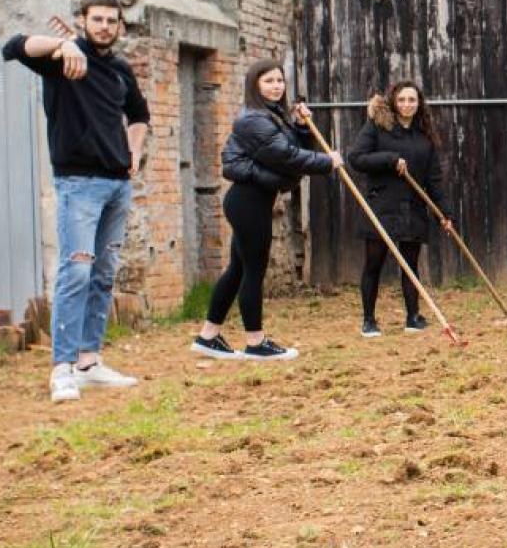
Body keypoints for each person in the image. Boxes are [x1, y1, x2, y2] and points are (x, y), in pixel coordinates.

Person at [3, 0, 149, 402]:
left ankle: (88, 362)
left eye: (112, 21)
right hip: (77, 185)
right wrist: (62, 44)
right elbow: (14, 46)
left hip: (117, 187)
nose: (105, 26)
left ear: (120, 26)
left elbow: (140, 115)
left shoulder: (120, 69)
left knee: (102, 275)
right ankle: (62, 368)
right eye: (97, 19)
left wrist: (133, 153)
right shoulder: (62, 58)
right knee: (77, 273)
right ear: (83, 20)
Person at [191, 60, 341, 361]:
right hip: (248, 202)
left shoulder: (273, 116)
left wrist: (299, 125)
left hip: (254, 199)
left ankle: (208, 336)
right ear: (254, 85)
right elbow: (285, 157)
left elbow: (291, 150)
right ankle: (256, 343)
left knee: (237, 269)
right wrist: (327, 162)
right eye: (268, 81)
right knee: (253, 271)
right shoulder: (253, 120)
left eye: (279, 81)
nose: (276, 86)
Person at [346, 81, 453, 337]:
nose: (407, 104)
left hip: (412, 208)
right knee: (374, 264)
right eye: (402, 99)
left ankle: (412, 317)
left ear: (419, 104)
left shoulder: (424, 137)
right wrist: (390, 159)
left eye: (412, 100)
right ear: (394, 101)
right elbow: (356, 158)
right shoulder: (378, 127)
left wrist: (445, 213)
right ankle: (369, 321)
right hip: (381, 206)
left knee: (410, 265)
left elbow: (434, 179)